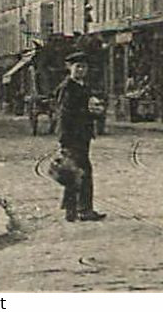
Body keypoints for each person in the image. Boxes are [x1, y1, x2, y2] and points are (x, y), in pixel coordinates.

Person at [56, 52, 106, 222]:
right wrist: (64, 137)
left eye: (84, 67)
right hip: (72, 135)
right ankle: (83, 209)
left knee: (74, 172)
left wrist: (96, 114)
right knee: (81, 171)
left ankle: (72, 210)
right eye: (77, 66)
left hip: (81, 134)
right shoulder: (67, 87)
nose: (81, 70)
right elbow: (64, 114)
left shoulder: (82, 86)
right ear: (69, 67)